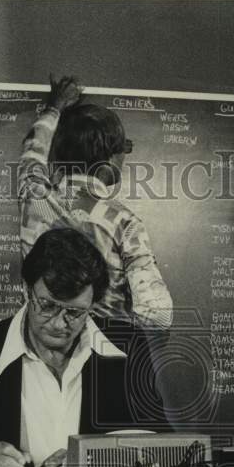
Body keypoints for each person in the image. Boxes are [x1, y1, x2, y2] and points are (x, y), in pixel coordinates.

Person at [0, 227, 168, 467]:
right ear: (26, 290)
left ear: (93, 305)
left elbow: (165, 448)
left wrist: (93, 461)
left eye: (75, 313)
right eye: (47, 306)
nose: (59, 324)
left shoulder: (128, 347)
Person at [18, 74, 174, 331]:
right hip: (103, 352)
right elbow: (158, 315)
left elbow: (32, 152)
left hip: (41, 344)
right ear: (111, 160)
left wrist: (54, 107)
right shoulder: (125, 223)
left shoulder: (34, 198)